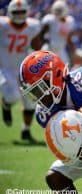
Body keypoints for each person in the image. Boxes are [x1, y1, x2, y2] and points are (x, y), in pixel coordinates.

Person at [0, 0, 41, 141]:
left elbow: (37, 46)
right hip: (4, 67)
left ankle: (26, 130)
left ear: (27, 12)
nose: (18, 15)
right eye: (16, 12)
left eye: (21, 11)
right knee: (13, 97)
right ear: (10, 12)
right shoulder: (3, 24)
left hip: (23, 69)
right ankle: (6, 105)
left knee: (31, 101)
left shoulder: (33, 26)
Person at [39, 0, 76, 66]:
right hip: (49, 49)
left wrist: (73, 50)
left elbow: (69, 39)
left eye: (60, 10)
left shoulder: (69, 21)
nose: (58, 12)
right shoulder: (50, 19)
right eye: (57, 10)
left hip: (61, 50)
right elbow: (41, 35)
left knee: (65, 69)